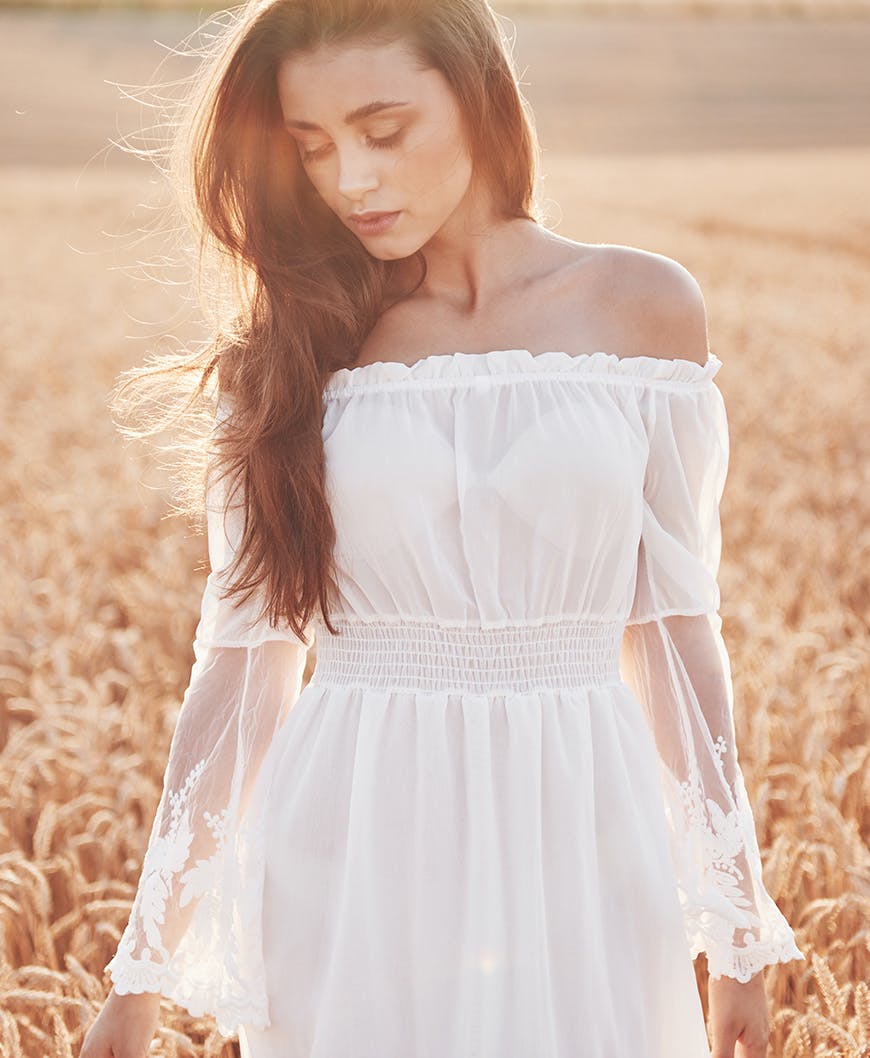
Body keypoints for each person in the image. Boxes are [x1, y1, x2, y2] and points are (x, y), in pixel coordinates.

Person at [80, 1, 805, 1056]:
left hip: (583, 817)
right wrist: (141, 967)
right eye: (315, 147)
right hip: (356, 829)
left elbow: (676, 632)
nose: (352, 180)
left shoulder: (640, 306)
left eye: (384, 130)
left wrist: (738, 923)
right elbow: (242, 670)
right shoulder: (291, 353)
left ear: (476, 99)